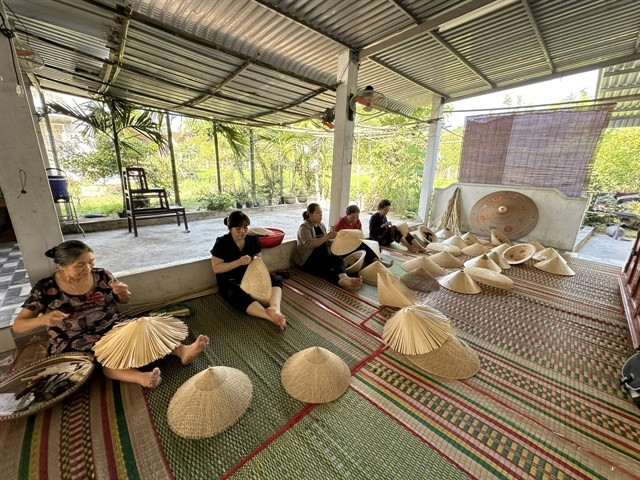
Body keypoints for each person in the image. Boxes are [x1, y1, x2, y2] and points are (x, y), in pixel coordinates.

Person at [12, 240, 209, 389]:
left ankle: (182, 351)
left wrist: (122, 293)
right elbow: (18, 325)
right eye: (80, 265)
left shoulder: (102, 275)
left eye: (91, 261)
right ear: (61, 266)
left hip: (111, 323)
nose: (88, 268)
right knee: (105, 356)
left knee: (146, 327)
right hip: (74, 336)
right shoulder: (46, 288)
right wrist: (44, 319)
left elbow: (124, 301)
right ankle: (141, 377)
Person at [210, 211, 286, 330]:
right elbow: (216, 268)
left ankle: (275, 308)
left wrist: (255, 260)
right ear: (230, 228)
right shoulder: (222, 243)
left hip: (249, 276)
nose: (242, 231)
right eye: (238, 229)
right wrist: (238, 262)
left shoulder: (252, 239)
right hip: (229, 280)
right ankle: (269, 316)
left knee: (275, 280)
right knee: (237, 295)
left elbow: (259, 259)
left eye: (245, 227)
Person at [292, 203, 363, 290]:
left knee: (338, 259)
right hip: (308, 259)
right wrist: (327, 236)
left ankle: (345, 278)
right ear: (310, 214)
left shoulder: (321, 225)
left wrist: (337, 240)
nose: (321, 215)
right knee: (326, 270)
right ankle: (345, 282)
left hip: (322, 256)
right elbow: (309, 244)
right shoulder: (304, 227)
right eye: (318, 213)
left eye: (321, 213)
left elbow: (326, 242)